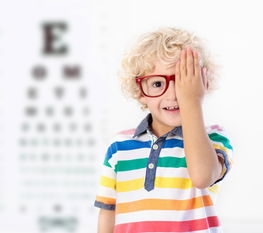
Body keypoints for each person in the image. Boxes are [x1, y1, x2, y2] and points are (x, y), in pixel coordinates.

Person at [94, 27, 234, 233]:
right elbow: (108, 211)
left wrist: (192, 101)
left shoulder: (213, 139)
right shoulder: (119, 146)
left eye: (182, 82)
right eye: (158, 83)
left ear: (202, 84)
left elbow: (203, 177)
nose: (173, 95)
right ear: (140, 91)